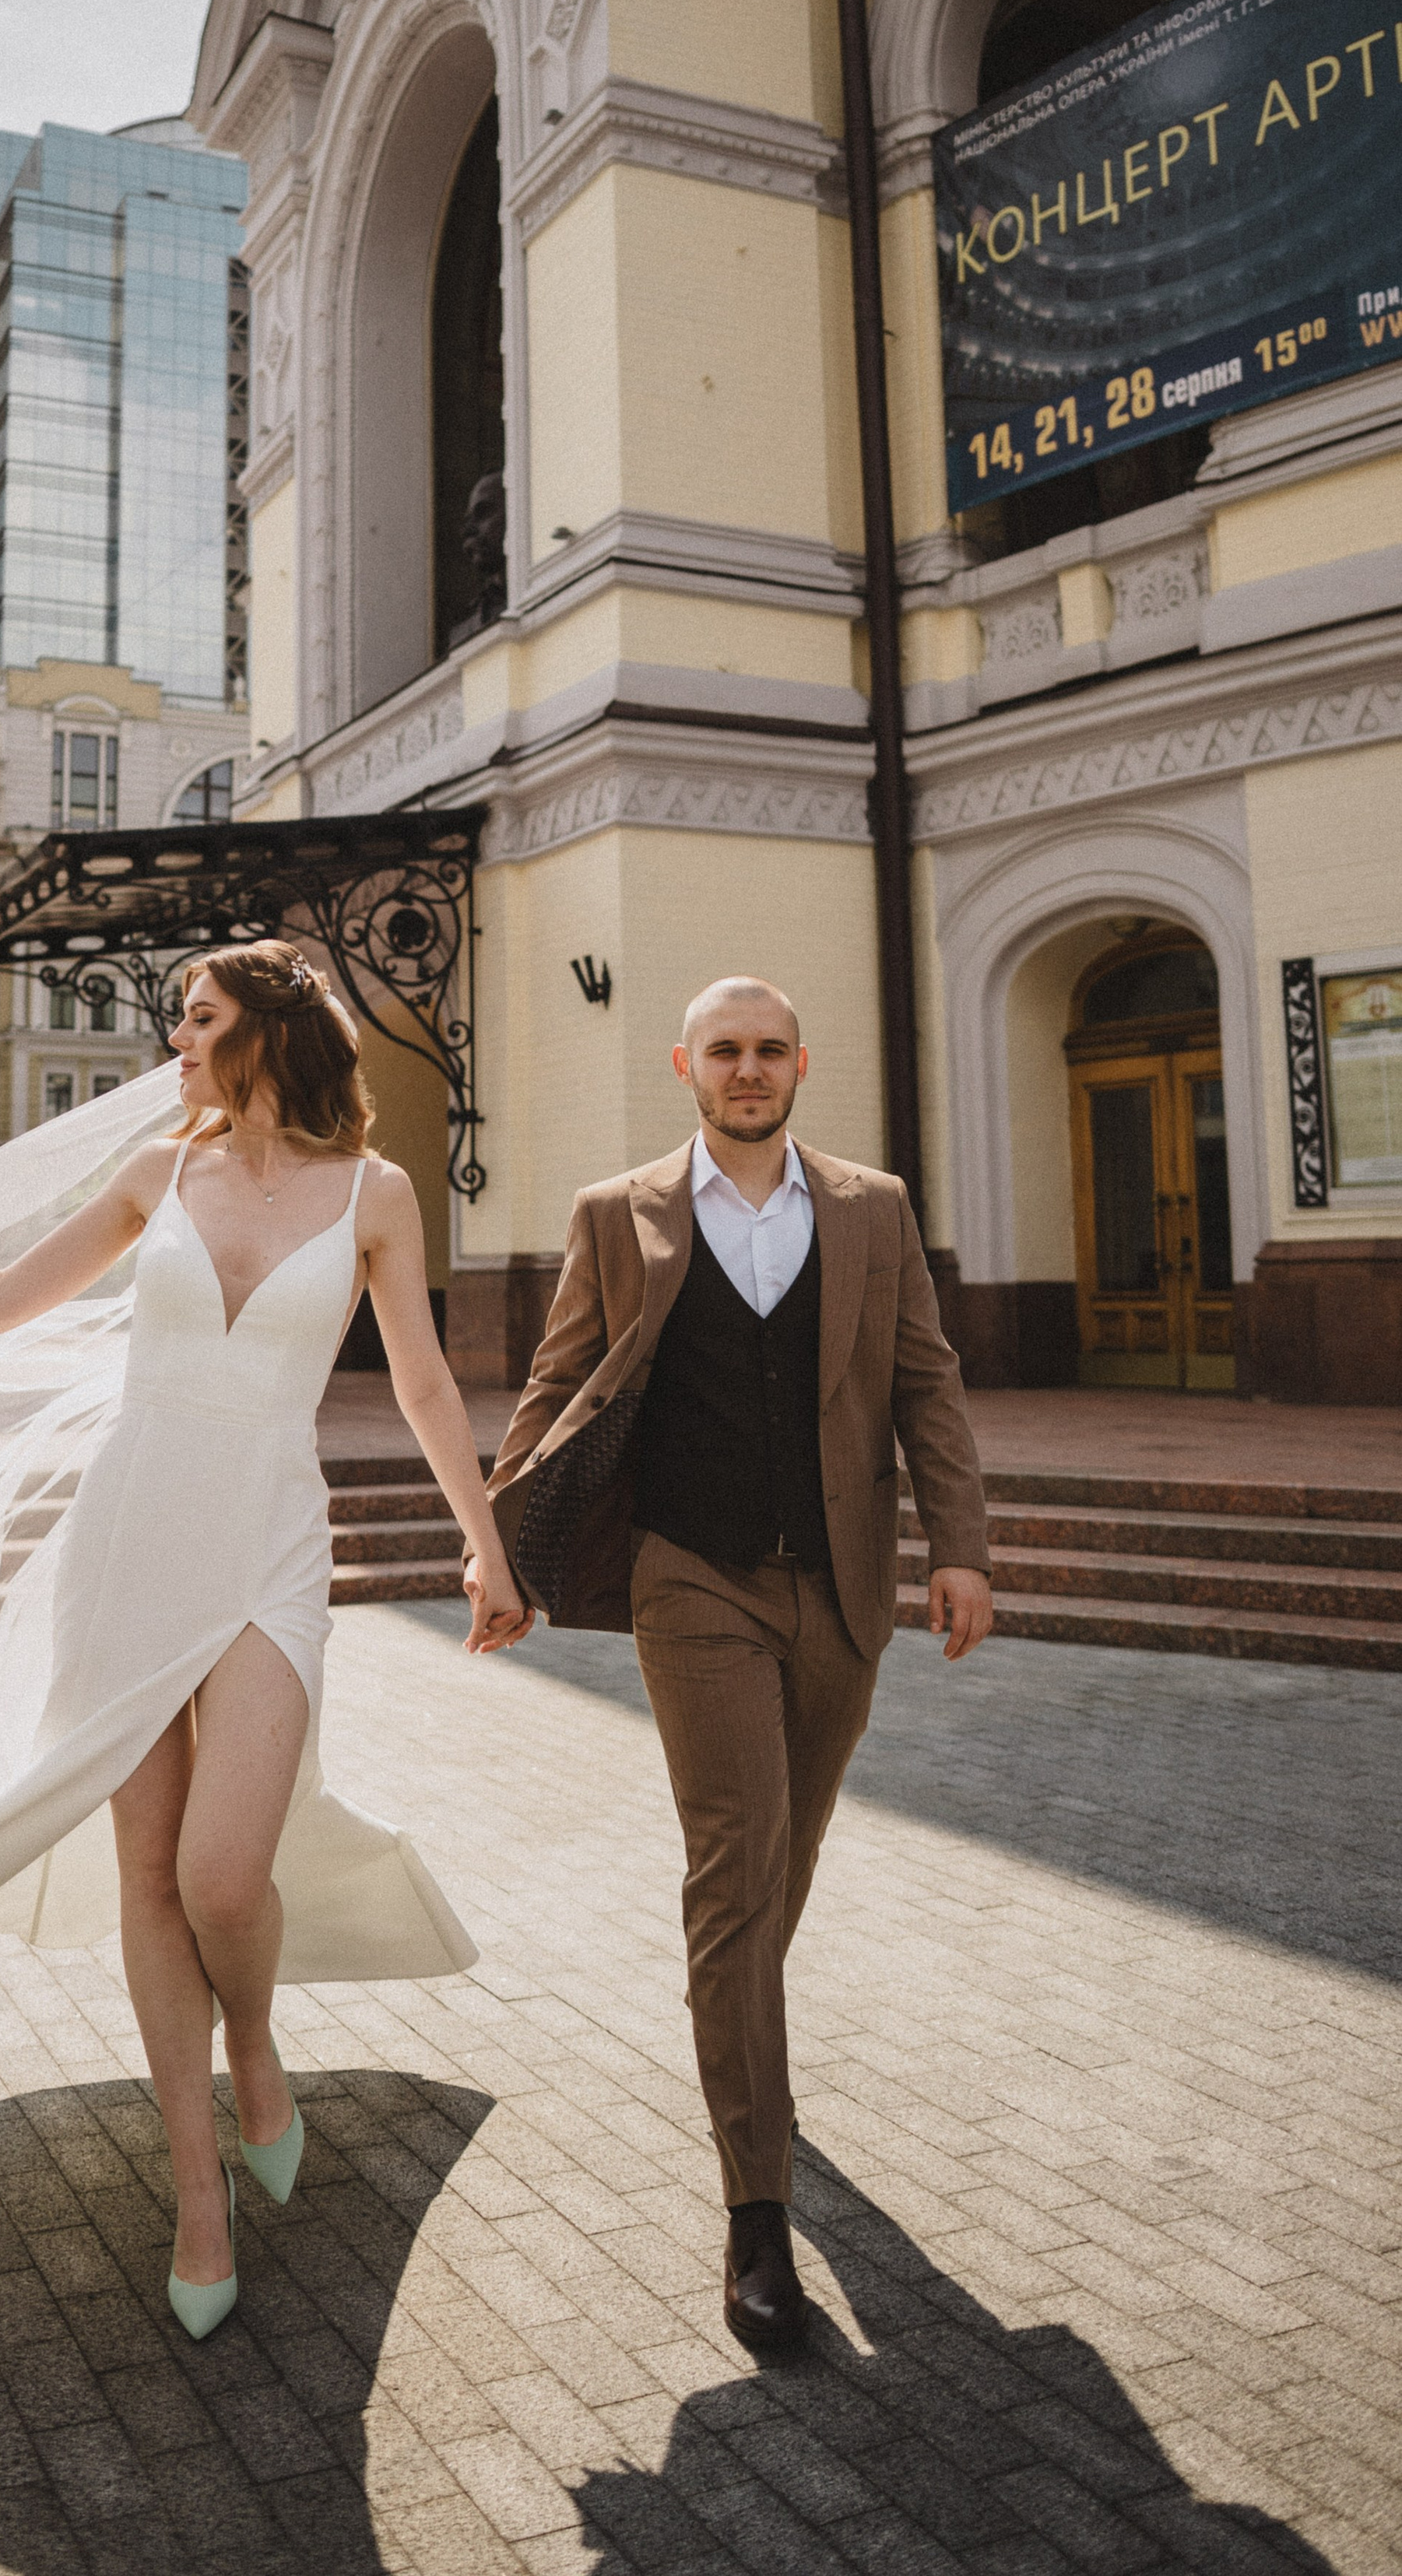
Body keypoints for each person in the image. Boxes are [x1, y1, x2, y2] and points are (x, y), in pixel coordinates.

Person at [0, 942, 531, 2339]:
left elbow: (425, 1377)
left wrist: (485, 1543)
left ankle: (253, 2043)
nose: (177, 1041)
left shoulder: (377, 1194)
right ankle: (200, 2188)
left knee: (223, 1870)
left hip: (269, 1540)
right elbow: (1, 1298)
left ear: (269, 1031)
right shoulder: (160, 1173)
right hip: (130, 1532)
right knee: (148, 1867)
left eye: (198, 1019)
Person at [481, 976, 991, 2354]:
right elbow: (555, 1381)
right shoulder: (618, 1212)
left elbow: (928, 1382)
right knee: (734, 1857)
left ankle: (742, 2046)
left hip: (837, 1584)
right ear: (685, 1065)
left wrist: (961, 1545)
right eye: (727, 1050)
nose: (750, 1069)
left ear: (801, 1064)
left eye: (770, 1050)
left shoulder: (874, 1209)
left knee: (785, 1862)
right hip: (688, 1574)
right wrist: (499, 1547)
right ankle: (755, 2212)